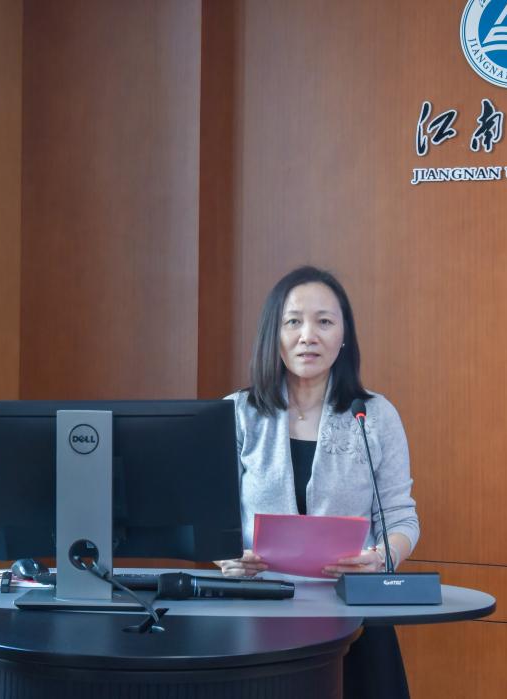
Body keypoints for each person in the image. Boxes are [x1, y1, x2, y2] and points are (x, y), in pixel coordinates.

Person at [215, 265, 420, 699]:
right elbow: (209, 519)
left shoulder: (375, 415)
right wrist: (227, 558)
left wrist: (381, 558)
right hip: (257, 614)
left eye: (324, 322)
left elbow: (402, 518)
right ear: (274, 334)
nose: (308, 335)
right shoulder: (237, 413)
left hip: (356, 613)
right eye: (293, 322)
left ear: (343, 336)